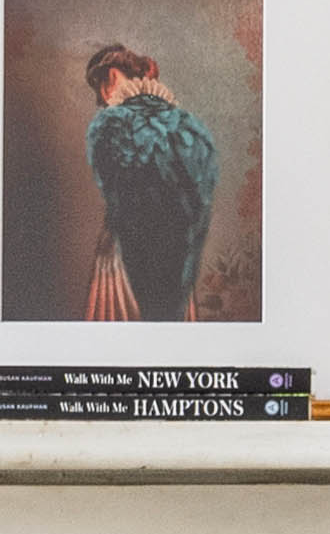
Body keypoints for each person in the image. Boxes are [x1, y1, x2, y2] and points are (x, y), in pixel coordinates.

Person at [83, 37, 227, 322]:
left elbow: (123, 210)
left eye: (98, 88)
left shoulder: (109, 124)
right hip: (180, 279)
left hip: (128, 269)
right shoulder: (192, 128)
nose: (100, 100)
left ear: (112, 77)